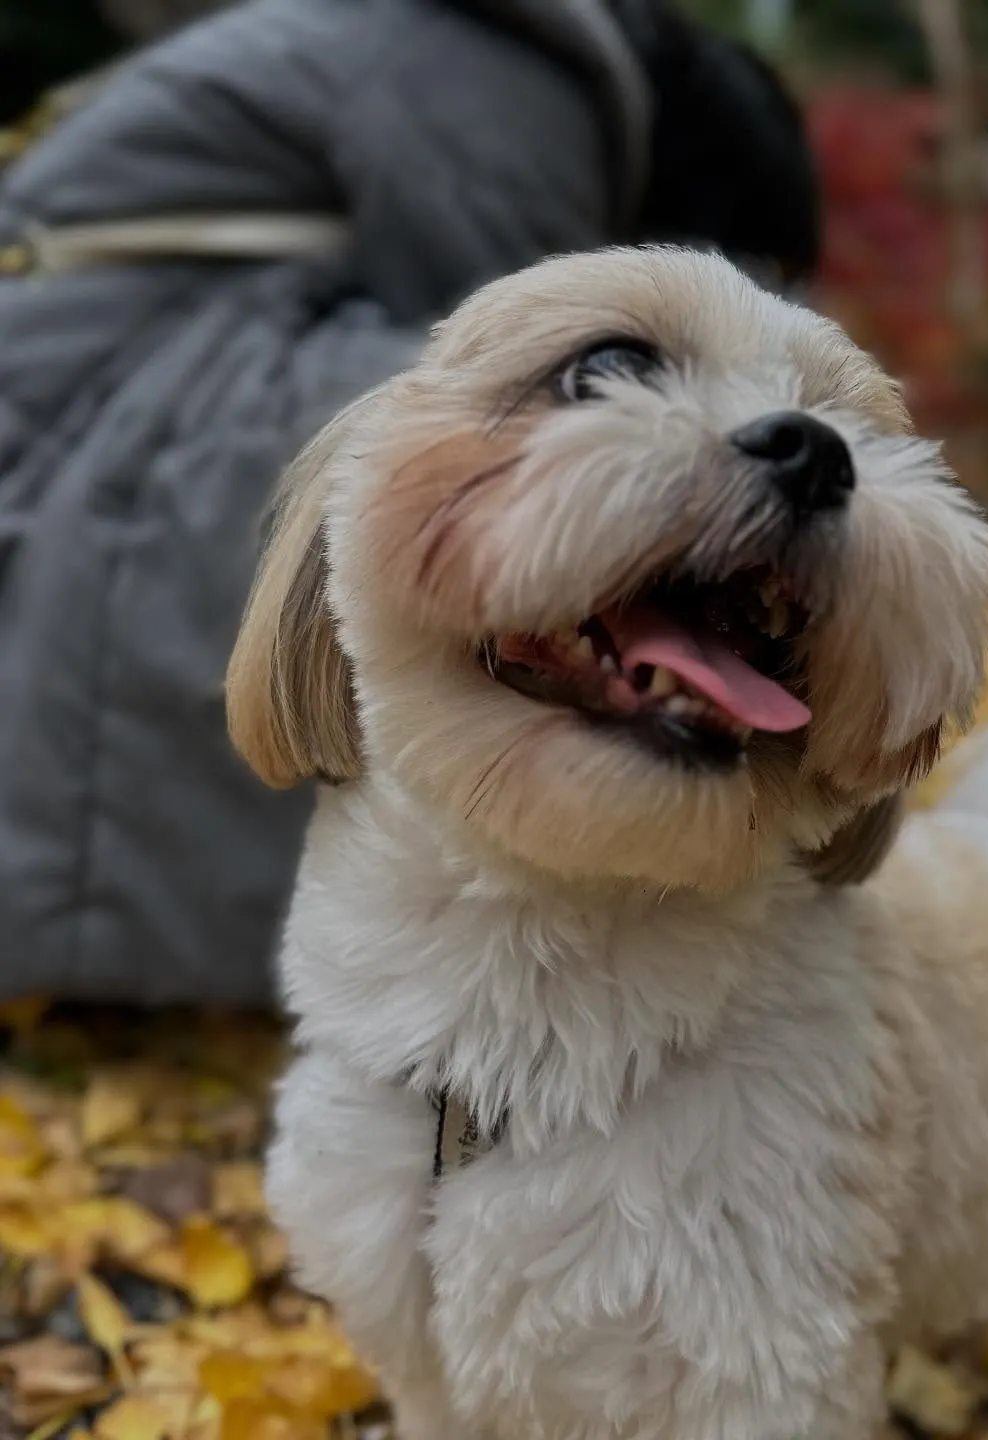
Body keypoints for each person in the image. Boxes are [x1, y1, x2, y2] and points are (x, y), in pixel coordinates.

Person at [0, 0, 821, 1005]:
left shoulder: (455, 40)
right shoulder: (509, 76)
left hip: (79, 384)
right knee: (507, 443)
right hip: (110, 395)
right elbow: (492, 357)